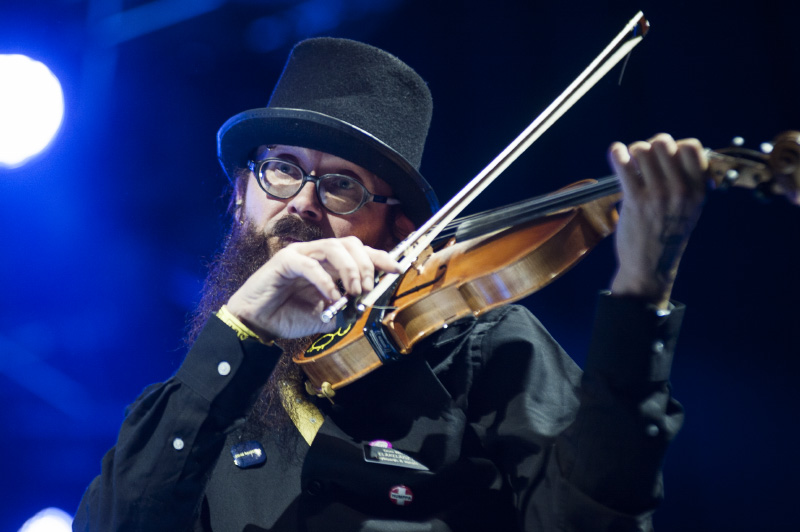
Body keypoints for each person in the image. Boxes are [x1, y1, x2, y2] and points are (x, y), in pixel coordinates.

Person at [73, 37, 708, 531]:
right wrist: (238, 332)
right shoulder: (195, 404)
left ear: (397, 225)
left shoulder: (478, 350)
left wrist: (640, 293)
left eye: (342, 185)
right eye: (282, 170)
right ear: (242, 196)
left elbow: (595, 520)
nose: (303, 203)